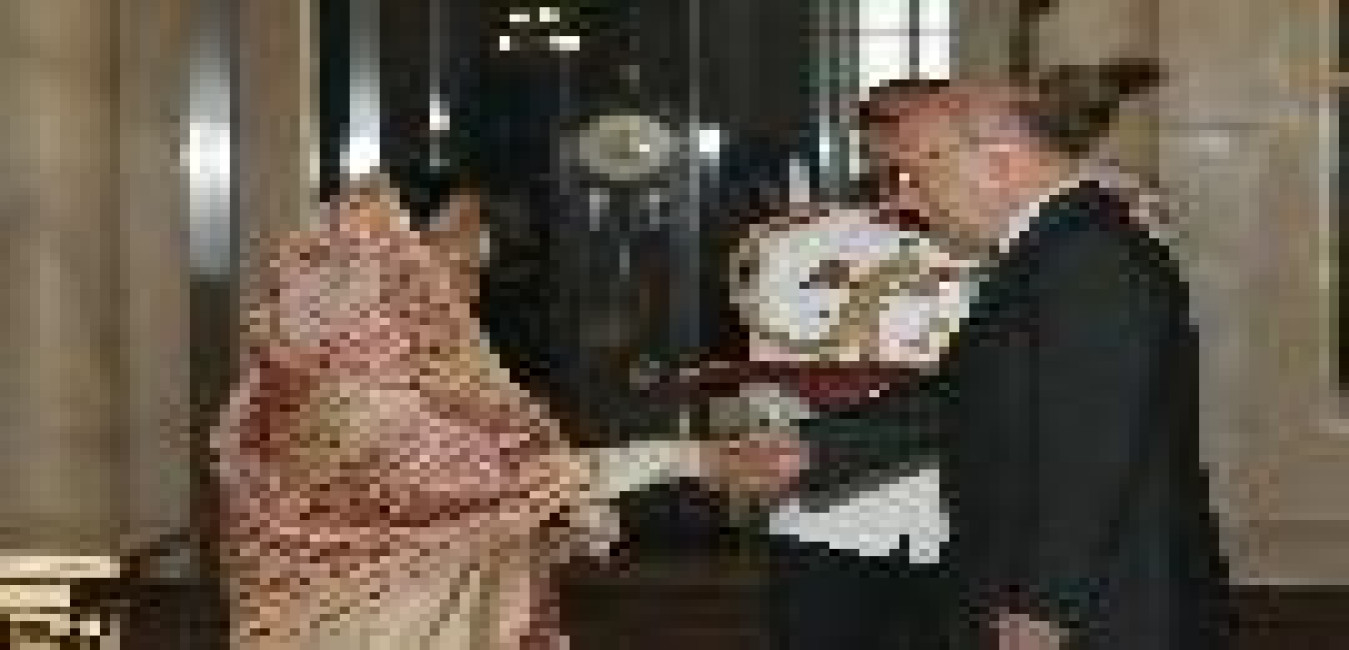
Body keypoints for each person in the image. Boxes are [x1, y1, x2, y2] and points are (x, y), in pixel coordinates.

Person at [710, 61, 1231, 650]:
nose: (906, 198)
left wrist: (1045, 603)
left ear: (997, 161)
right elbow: (967, 395)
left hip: (1107, 607)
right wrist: (814, 448)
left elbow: (1093, 443)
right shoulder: (1053, 247)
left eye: (914, 173)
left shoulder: (1089, 258)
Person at [213, 177, 604, 649]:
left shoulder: (422, 369)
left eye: (478, 240)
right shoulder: (347, 385)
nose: (478, 257)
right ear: (386, 255)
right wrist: (671, 459)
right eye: (455, 240)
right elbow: (504, 479)